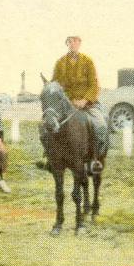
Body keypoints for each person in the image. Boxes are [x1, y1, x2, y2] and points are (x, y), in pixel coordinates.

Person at [50, 36, 108, 173]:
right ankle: (49, 158)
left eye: (75, 41)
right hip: (67, 104)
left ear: (79, 43)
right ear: (66, 44)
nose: (72, 44)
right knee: (49, 125)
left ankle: (96, 159)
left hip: (87, 104)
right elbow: (55, 85)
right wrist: (69, 100)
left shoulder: (88, 61)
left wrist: (85, 100)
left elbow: (94, 85)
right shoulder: (60, 63)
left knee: (100, 125)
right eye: (69, 41)